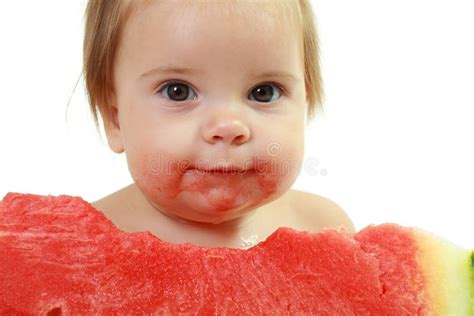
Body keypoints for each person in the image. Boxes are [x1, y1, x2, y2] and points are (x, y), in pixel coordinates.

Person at [85, 0, 355, 249]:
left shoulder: (323, 227)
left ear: (304, 104)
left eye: (264, 92)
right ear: (115, 117)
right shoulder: (85, 242)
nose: (229, 127)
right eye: (177, 91)